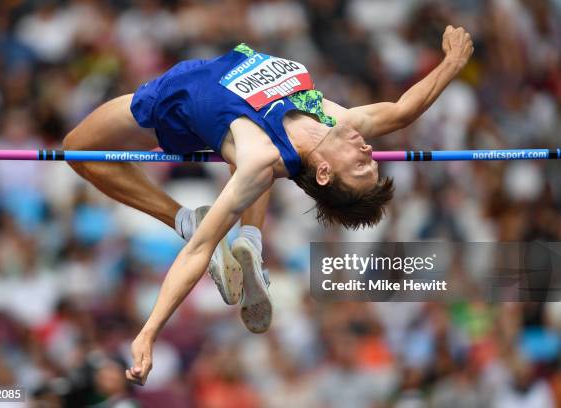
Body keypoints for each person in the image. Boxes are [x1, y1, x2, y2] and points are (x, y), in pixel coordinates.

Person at [62, 26, 474, 385]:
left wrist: (148, 332)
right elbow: (403, 111)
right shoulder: (336, 121)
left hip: (173, 102)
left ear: (326, 173)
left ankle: (186, 219)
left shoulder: (261, 157)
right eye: (370, 158)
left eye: (361, 163)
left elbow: (200, 251)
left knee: (76, 150)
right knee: (256, 166)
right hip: (217, 79)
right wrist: (452, 64)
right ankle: (251, 245)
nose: (368, 150)